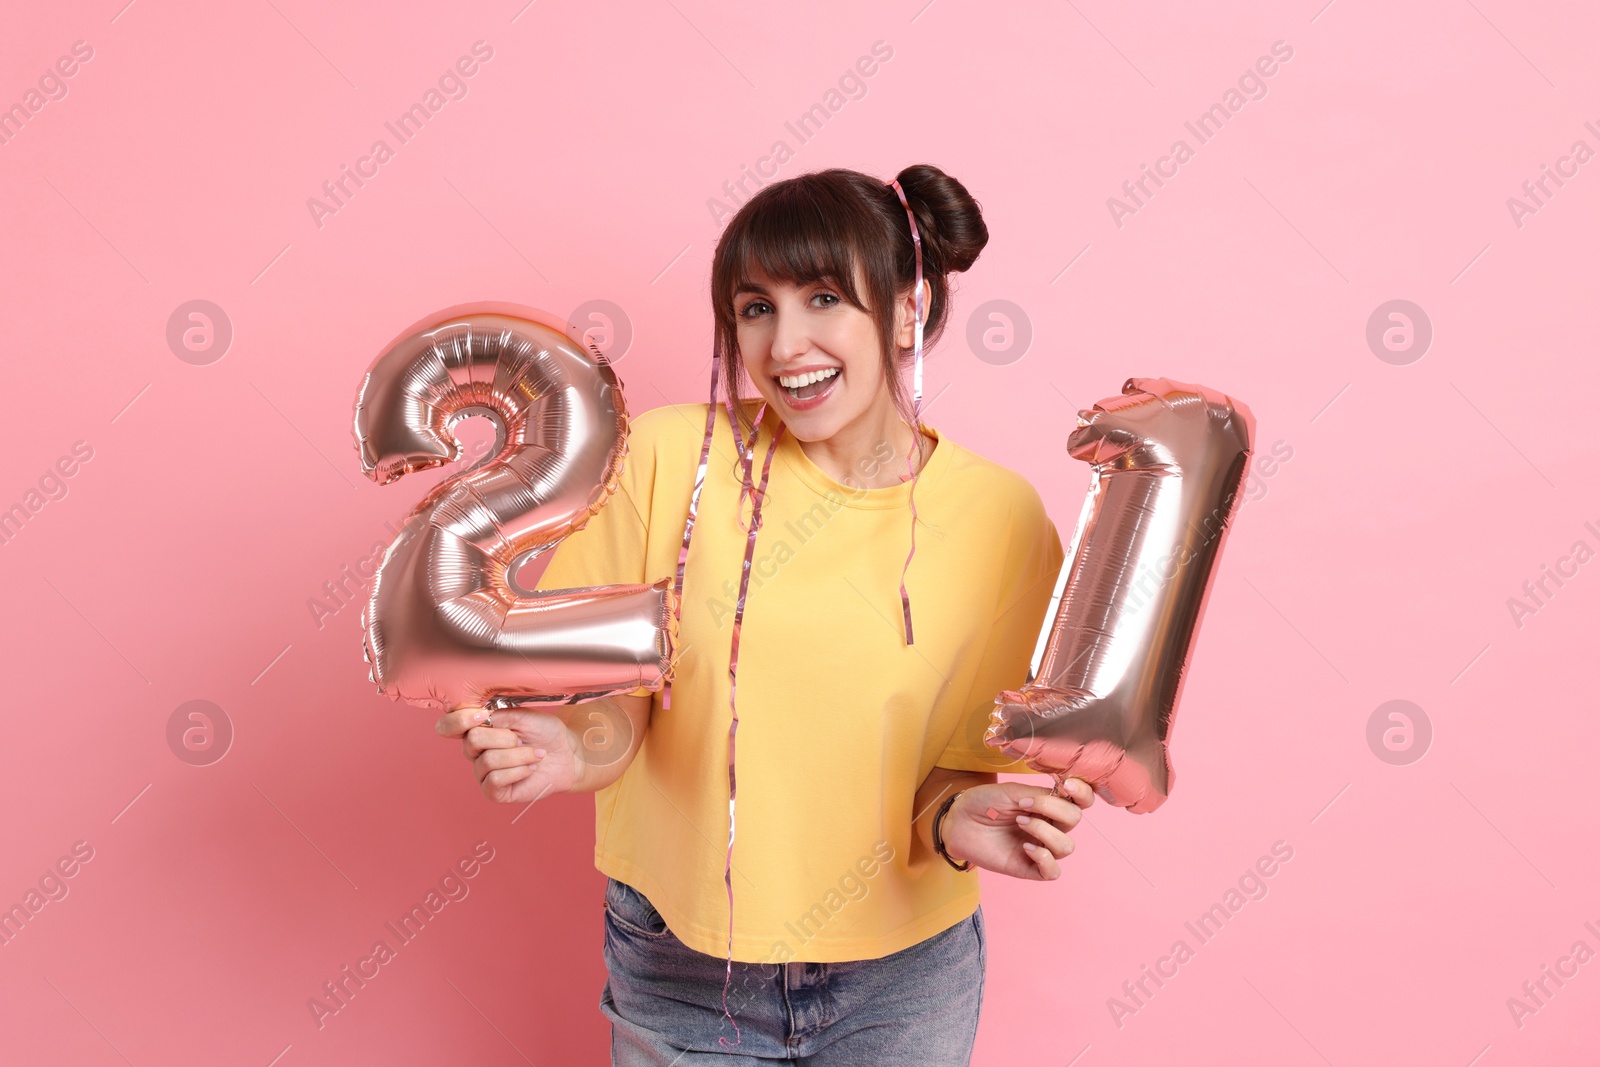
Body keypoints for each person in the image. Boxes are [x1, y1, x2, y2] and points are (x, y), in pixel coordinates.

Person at [434, 164, 1095, 1065]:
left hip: (903, 978)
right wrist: (563, 747)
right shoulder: (668, 459)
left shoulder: (1002, 520)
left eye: (824, 297)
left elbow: (951, 766)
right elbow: (612, 711)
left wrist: (960, 815)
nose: (786, 344)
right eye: (756, 307)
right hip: (682, 964)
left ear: (908, 309)